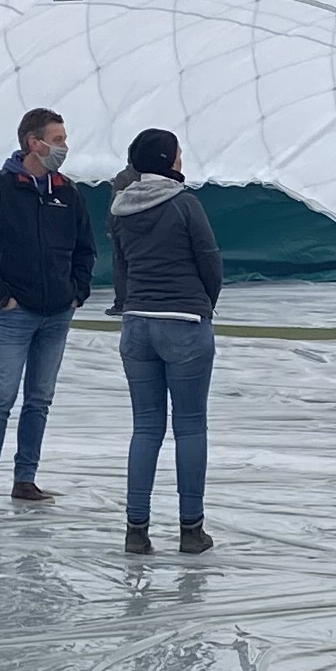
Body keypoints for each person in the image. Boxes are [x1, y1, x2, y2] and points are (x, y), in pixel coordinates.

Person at [0, 107, 93, 507]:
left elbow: (85, 248)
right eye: (58, 140)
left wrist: (77, 292)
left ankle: (25, 479)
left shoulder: (67, 193)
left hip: (57, 313)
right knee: (1, 396)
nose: (64, 147)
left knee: (39, 399)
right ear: (34, 143)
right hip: (14, 314)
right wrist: (1, 297)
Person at [109, 127, 223, 553]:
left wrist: (130, 303)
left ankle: (136, 530)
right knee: (190, 427)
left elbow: (121, 267)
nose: (181, 159)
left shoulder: (122, 208)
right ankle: (191, 530)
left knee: (145, 427)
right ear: (166, 160)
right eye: (177, 153)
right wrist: (204, 304)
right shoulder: (184, 204)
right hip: (184, 321)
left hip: (137, 323)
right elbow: (209, 260)